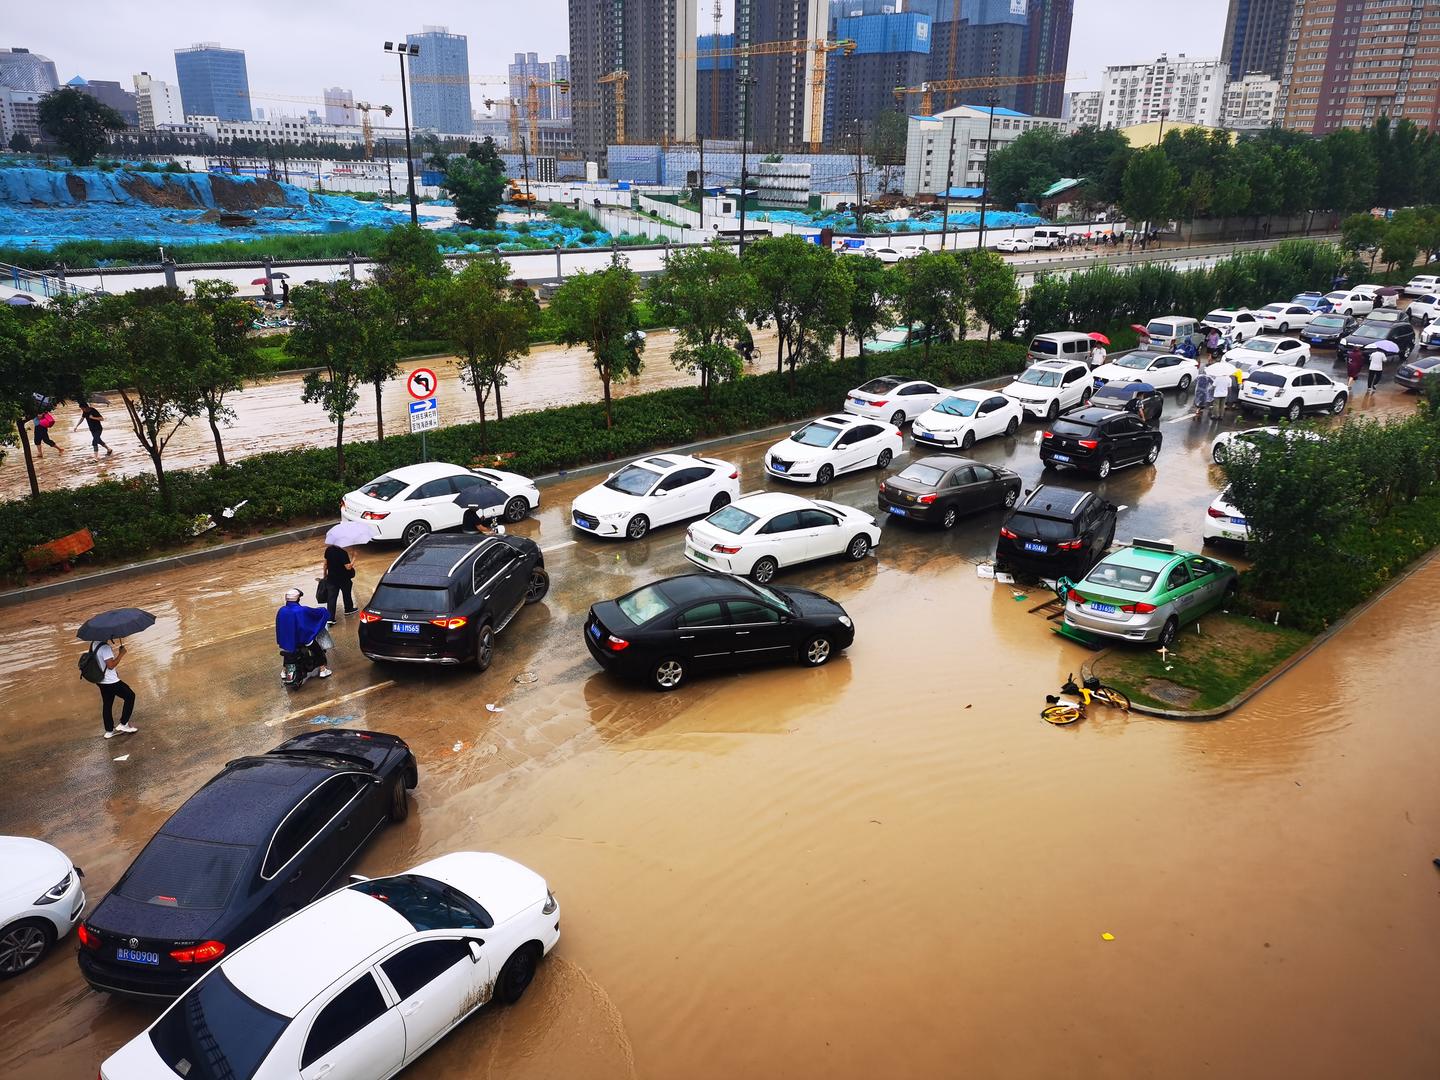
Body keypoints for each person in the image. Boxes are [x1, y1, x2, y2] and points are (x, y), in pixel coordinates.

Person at [276, 588, 331, 680]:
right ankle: (322, 669)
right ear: (298, 599)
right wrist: (323, 610)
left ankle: (284, 671)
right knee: (317, 649)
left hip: (288, 640)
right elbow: (315, 614)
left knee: (289, 650)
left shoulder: (282, 610)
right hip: (303, 639)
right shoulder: (301, 610)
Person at [89, 638, 137, 739]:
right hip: (111, 681)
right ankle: (124, 724)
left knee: (107, 704)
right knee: (130, 696)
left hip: (101, 681)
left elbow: (101, 663)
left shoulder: (94, 644)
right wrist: (121, 654)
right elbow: (110, 666)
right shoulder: (105, 647)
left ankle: (109, 731)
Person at [322, 542, 357, 624]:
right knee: (346, 593)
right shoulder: (343, 553)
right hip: (344, 578)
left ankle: (330, 618)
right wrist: (354, 557)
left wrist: (324, 574)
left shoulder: (328, 550)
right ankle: (348, 609)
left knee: (331, 598)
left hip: (332, 578)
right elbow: (348, 567)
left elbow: (325, 564)